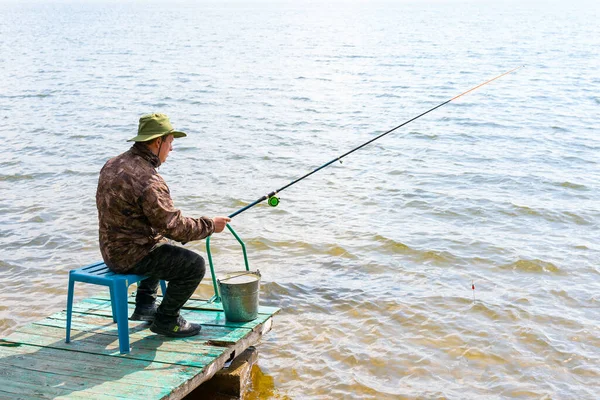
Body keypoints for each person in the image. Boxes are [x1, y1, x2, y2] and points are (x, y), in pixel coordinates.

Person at [96, 113, 230, 337]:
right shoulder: (149, 180)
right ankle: (167, 320)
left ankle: (145, 307)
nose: (171, 149)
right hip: (129, 256)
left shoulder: (113, 163)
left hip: (110, 249)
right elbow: (175, 227)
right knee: (194, 265)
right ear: (158, 142)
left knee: (161, 243)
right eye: (170, 142)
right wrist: (210, 226)